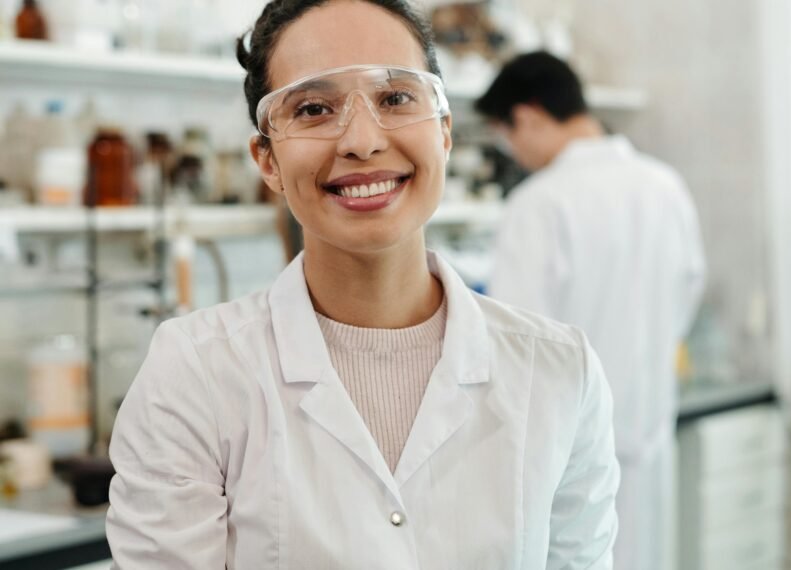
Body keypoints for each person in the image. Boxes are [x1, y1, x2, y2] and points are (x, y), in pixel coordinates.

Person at [105, 3, 620, 568]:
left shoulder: (559, 370)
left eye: (396, 98)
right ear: (268, 161)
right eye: (313, 108)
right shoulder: (193, 375)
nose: (362, 140)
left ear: (444, 133)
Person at [476, 51, 706, 570]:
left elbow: (513, 345)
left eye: (506, 135)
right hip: (649, 436)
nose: (512, 150)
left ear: (529, 116)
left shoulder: (538, 203)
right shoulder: (665, 187)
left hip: (568, 460)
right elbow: (687, 296)